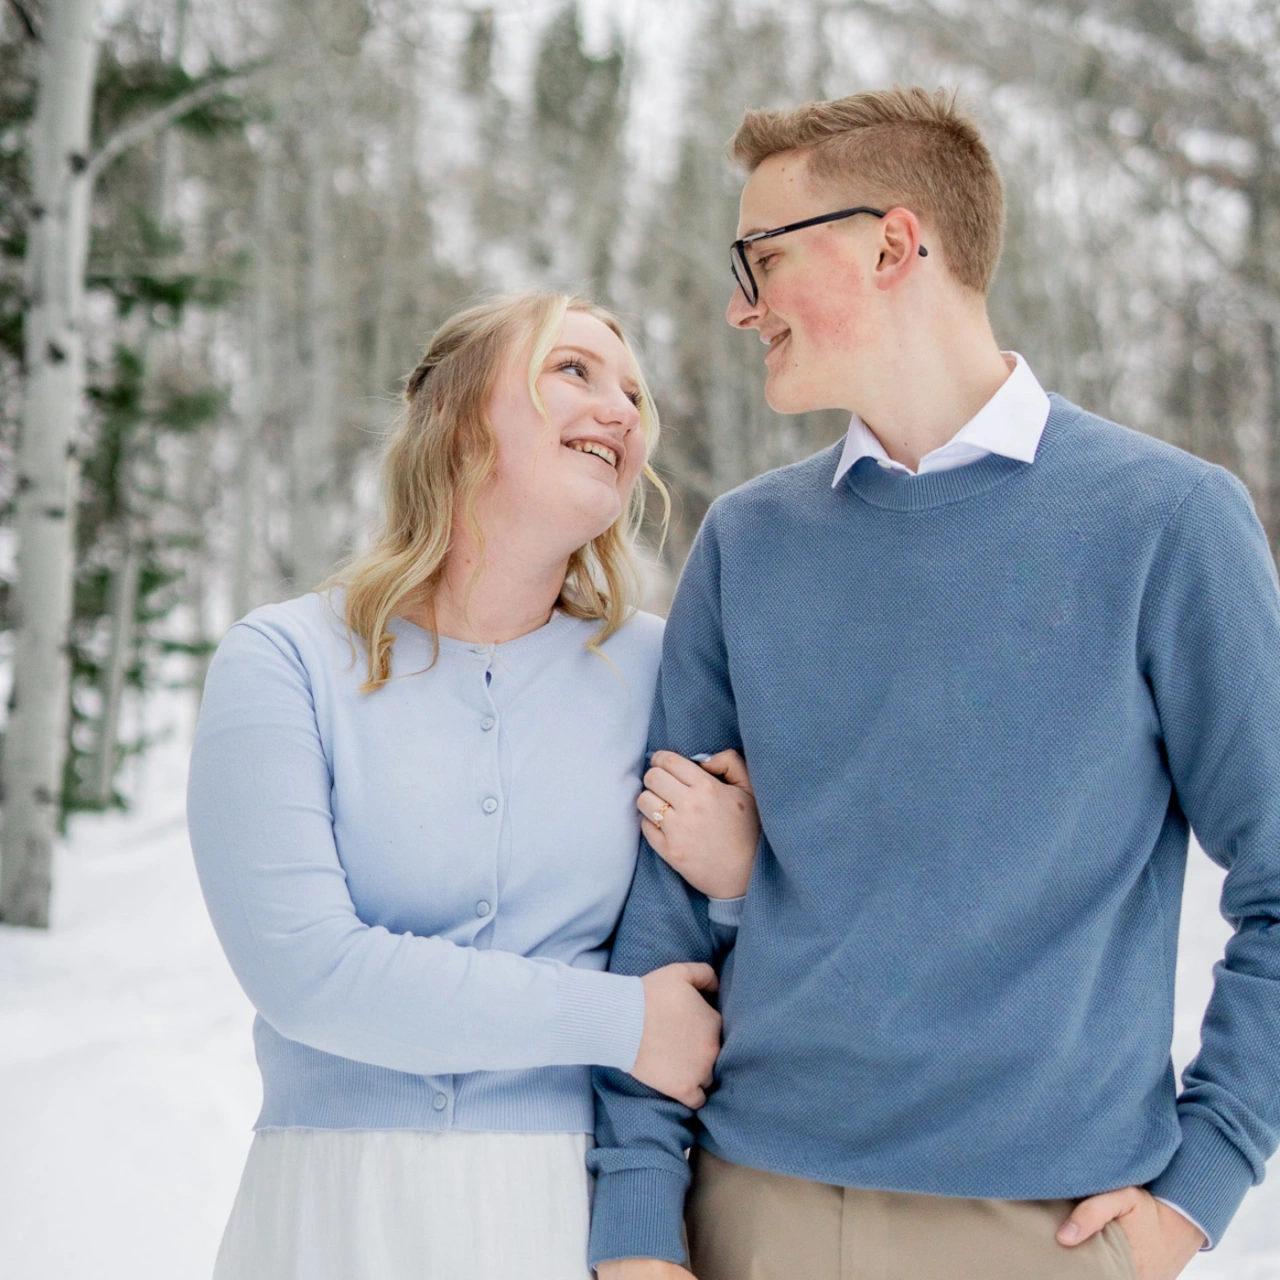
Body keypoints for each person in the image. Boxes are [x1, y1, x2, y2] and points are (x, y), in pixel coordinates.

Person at [588, 88, 1280, 1280]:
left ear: (893, 243)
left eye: (760, 256)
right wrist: (640, 1217)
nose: (737, 305)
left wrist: (1195, 1184)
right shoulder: (747, 541)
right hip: (749, 1208)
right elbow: (662, 908)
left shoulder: (1164, 521)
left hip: (1039, 1230)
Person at [187, 293, 755, 1280]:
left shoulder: (664, 670)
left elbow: (727, 964)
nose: (621, 410)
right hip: (331, 1210)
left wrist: (740, 880)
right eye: (573, 369)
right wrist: (622, 1021)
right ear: (457, 417)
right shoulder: (284, 659)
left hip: (570, 1215)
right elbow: (306, 973)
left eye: (632, 393)